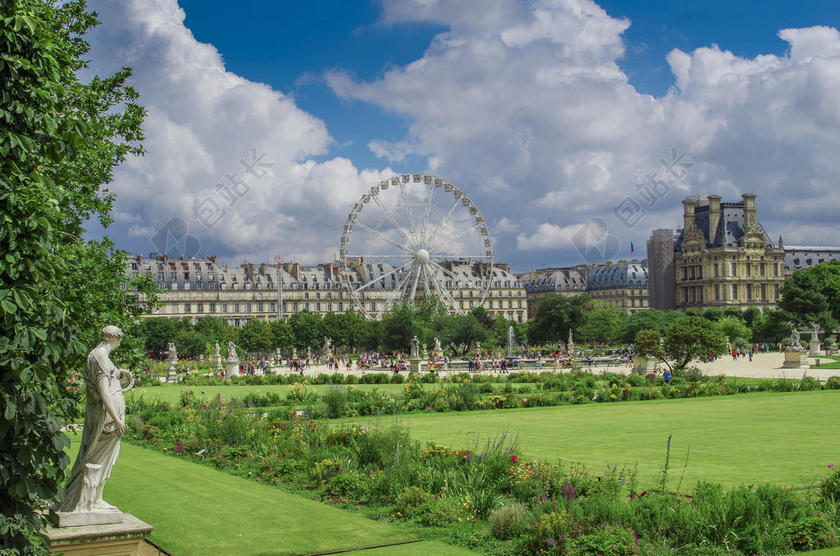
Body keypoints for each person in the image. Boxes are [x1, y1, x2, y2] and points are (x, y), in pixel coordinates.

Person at [59, 326, 132, 514]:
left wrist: (118, 375)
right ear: (115, 339)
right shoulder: (101, 358)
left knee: (98, 456)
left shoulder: (96, 355)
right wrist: (117, 420)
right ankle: (93, 500)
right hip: (107, 417)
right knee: (101, 458)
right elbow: (104, 393)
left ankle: (93, 499)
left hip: (101, 413)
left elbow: (106, 384)